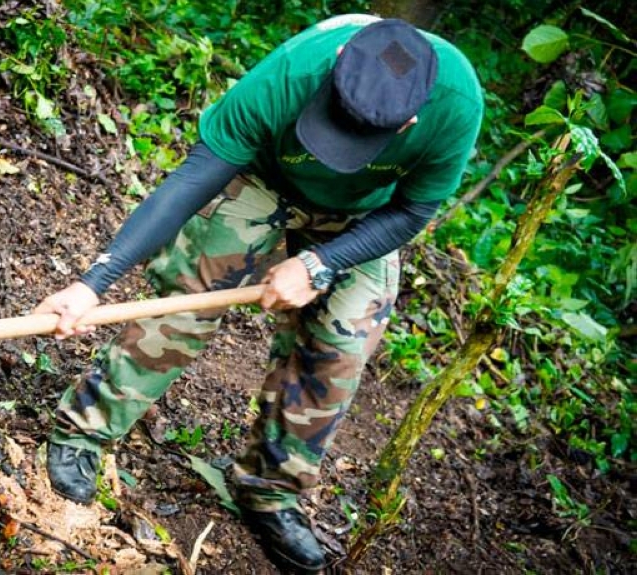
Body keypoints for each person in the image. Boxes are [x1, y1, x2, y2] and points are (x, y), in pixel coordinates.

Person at [34, 14, 483, 571]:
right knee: (193, 293)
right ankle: (86, 430)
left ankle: (270, 491)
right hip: (264, 178)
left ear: (409, 121)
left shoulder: (455, 106)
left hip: (364, 217)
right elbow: (197, 176)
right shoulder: (293, 72)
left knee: (344, 343)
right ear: (338, 66)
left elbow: (413, 209)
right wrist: (93, 283)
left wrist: (322, 261)